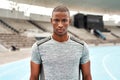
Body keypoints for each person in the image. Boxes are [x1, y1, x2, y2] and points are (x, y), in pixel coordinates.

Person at [30, 5, 92, 80]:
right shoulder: (38, 47)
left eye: (64, 20)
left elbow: (87, 76)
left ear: (69, 21)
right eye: (56, 20)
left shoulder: (82, 47)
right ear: (51, 21)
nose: (60, 25)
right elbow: (34, 77)